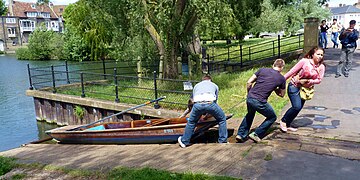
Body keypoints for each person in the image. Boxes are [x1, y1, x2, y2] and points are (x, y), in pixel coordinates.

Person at [236, 59, 286, 143]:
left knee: (250, 114)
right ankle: (256, 134)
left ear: (273, 65)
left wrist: (249, 93)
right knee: (272, 117)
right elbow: (282, 94)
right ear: (282, 67)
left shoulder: (262, 70)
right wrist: (275, 88)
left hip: (250, 98)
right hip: (260, 101)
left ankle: (241, 134)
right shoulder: (281, 78)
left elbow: (249, 82)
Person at [279, 47, 326, 132]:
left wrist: (309, 81)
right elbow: (291, 71)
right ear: (312, 54)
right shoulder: (304, 61)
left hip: (305, 90)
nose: (320, 56)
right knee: (296, 106)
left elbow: (319, 80)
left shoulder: (321, 67)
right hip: (294, 86)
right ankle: (283, 121)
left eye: (321, 55)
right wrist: (280, 80)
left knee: (299, 107)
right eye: (318, 54)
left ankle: (288, 124)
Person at [178, 74, 227, 148]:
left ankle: (184, 141)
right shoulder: (215, 85)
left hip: (197, 104)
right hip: (210, 103)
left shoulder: (197, 86)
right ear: (210, 80)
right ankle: (222, 141)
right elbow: (215, 101)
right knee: (222, 119)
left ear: (202, 80)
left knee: (191, 122)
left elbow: (193, 100)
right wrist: (207, 116)